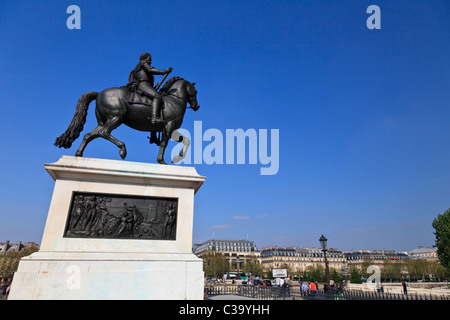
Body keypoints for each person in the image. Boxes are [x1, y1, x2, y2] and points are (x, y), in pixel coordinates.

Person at [128, 52, 172, 127]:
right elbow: (150, 70)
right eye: (149, 59)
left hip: (146, 85)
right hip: (143, 84)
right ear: (145, 58)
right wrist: (164, 71)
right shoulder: (143, 62)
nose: (150, 61)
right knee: (157, 96)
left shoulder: (142, 65)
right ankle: (154, 118)